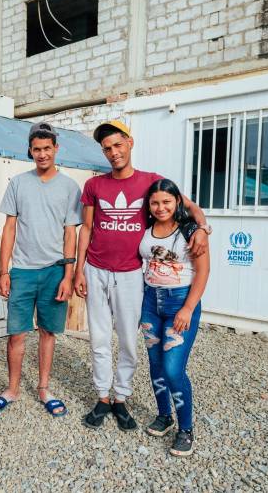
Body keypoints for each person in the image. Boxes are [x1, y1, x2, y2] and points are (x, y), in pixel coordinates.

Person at [74, 120, 211, 431]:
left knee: (127, 340)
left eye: (117, 145)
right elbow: (87, 228)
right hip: (96, 269)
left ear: (130, 143)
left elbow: (190, 207)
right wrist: (79, 270)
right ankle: (102, 397)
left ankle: (121, 397)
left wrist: (202, 228)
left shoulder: (151, 182)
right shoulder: (94, 186)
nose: (113, 152)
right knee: (98, 339)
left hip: (131, 273)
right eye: (107, 148)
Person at [0, 122, 81, 418]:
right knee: (16, 333)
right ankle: (12, 389)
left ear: (56, 149)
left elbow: (71, 233)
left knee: (48, 332)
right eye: (37, 149)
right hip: (23, 271)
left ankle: (43, 388)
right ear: (30, 150)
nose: (42, 154)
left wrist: (68, 275)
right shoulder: (18, 183)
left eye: (47, 148)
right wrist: (4, 272)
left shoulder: (69, 187)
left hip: (54, 271)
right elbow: (9, 228)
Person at [139, 178, 210, 457]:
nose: (161, 207)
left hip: (179, 302)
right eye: (155, 202)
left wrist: (188, 308)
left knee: (172, 369)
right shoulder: (146, 228)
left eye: (167, 201)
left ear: (177, 201)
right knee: (156, 365)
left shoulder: (190, 230)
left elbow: (203, 272)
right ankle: (164, 416)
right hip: (150, 302)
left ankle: (186, 429)